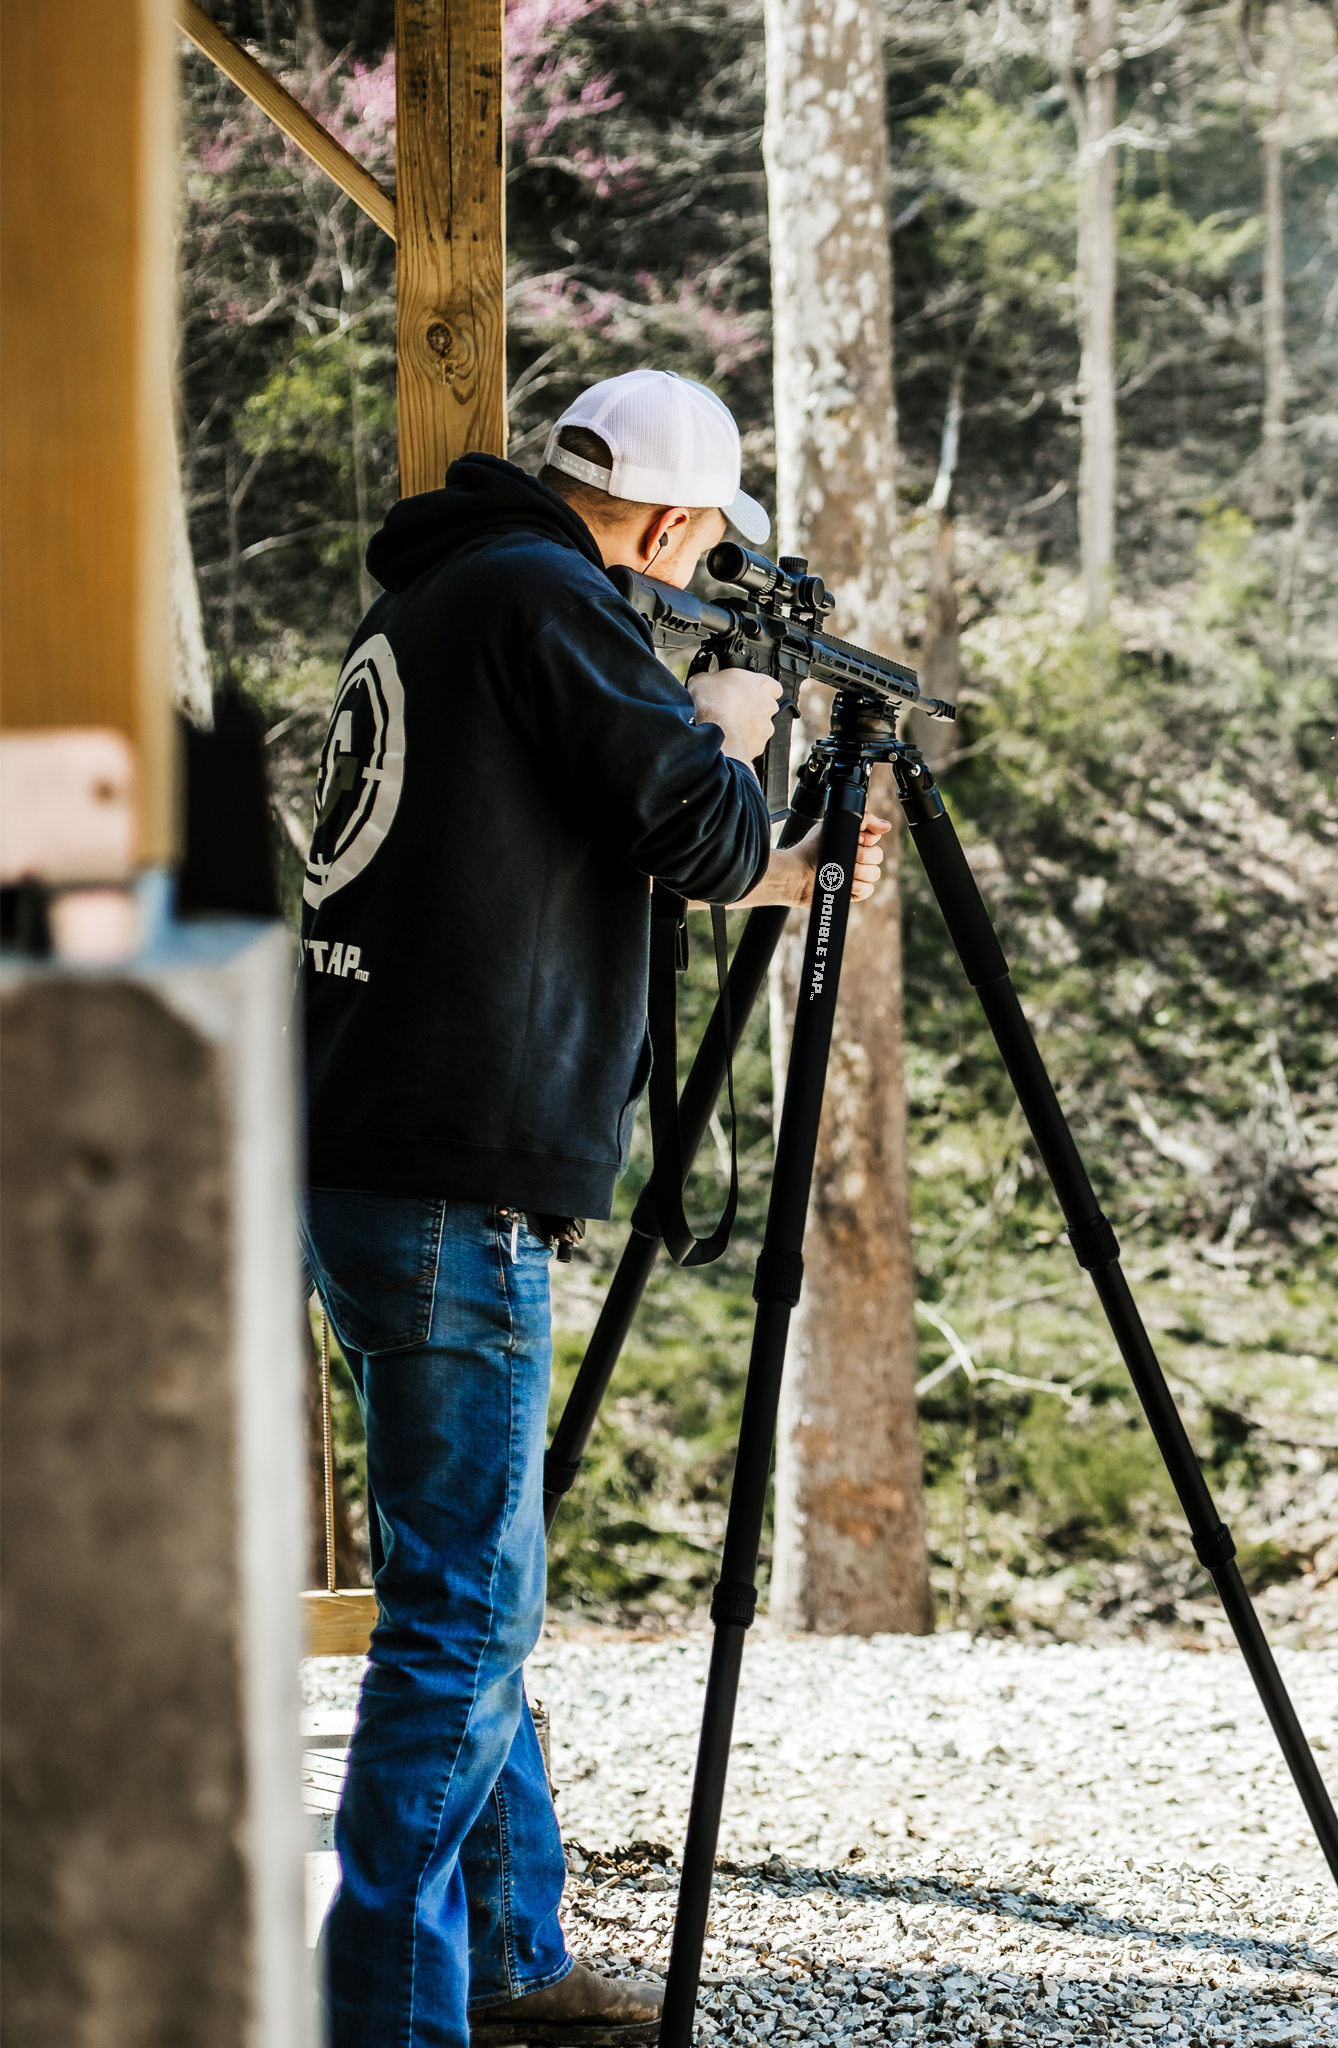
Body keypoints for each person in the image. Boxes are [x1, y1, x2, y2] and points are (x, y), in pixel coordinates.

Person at [298, 369, 888, 2048]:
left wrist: (757, 828)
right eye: (703, 549)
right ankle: (393, 2016)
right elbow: (700, 829)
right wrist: (733, 726)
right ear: (677, 520)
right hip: (445, 1174)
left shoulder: (451, 590)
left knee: (472, 1585)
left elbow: (620, 847)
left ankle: (509, 1958)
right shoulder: (547, 600)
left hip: (379, 1150)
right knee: (464, 1613)